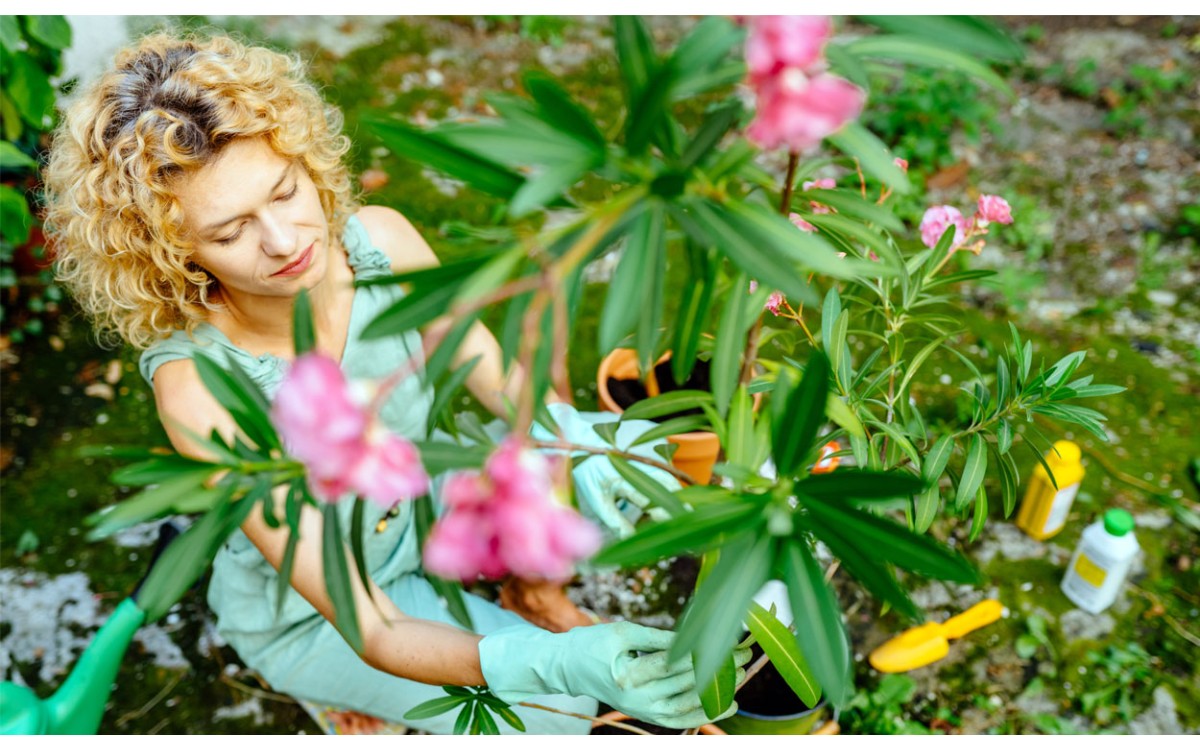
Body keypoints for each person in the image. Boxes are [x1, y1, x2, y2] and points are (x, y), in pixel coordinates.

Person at [44, 32, 744, 733]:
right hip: (319, 613)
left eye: (285, 192)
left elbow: (505, 386)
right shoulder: (200, 392)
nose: (285, 242)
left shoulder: (381, 242)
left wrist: (573, 440)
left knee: (573, 461)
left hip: (418, 502)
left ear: (303, 156)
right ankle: (353, 683)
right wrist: (557, 665)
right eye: (230, 232)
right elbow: (373, 625)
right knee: (550, 714)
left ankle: (533, 595)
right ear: (173, 253)